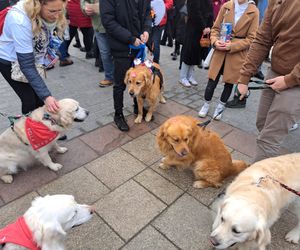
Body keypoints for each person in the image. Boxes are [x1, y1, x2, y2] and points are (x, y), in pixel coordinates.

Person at [233, 0, 300, 162]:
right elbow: (263, 38)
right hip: (275, 71)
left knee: (269, 138)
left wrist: (290, 79)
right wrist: (244, 77)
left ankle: (256, 184)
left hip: (296, 82)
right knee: (262, 124)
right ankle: (267, 170)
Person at [0, 0, 66, 115]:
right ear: (39, 5)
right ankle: (26, 130)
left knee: (39, 100)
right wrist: (47, 96)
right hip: (10, 62)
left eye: (59, 10)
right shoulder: (19, 20)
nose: (57, 15)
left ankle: (44, 129)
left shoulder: (47, 12)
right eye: (52, 11)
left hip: (31, 58)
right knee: (29, 100)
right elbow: (26, 65)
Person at [198, 0, 259, 120]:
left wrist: (233, 46)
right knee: (212, 81)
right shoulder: (227, 6)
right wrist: (215, 41)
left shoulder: (254, 11)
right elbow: (215, 28)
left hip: (237, 53)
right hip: (220, 50)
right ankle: (206, 104)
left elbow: (252, 38)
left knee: (229, 83)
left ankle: (220, 107)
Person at [100, 0, 152, 132]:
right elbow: (108, 21)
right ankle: (118, 114)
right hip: (122, 47)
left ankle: (137, 107)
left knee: (138, 81)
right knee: (120, 84)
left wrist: (146, 30)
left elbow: (147, 13)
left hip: (138, 47)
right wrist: (130, 38)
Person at [178, 0, 213, 87]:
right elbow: (194, 12)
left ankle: (190, 76)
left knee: (196, 53)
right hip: (193, 29)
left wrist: (209, 26)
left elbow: (210, 12)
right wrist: (203, 26)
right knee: (188, 52)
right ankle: (183, 77)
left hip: (202, 30)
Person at [80, 0, 114, 87]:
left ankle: (122, 76)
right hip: (98, 26)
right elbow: (83, 2)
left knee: (118, 53)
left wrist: (101, 6)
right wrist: (85, 8)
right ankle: (109, 77)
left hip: (115, 25)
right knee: (105, 53)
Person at [59, 0, 94, 66]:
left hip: (72, 10)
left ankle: (63, 53)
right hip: (82, 10)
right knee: (87, 33)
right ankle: (89, 52)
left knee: (69, 34)